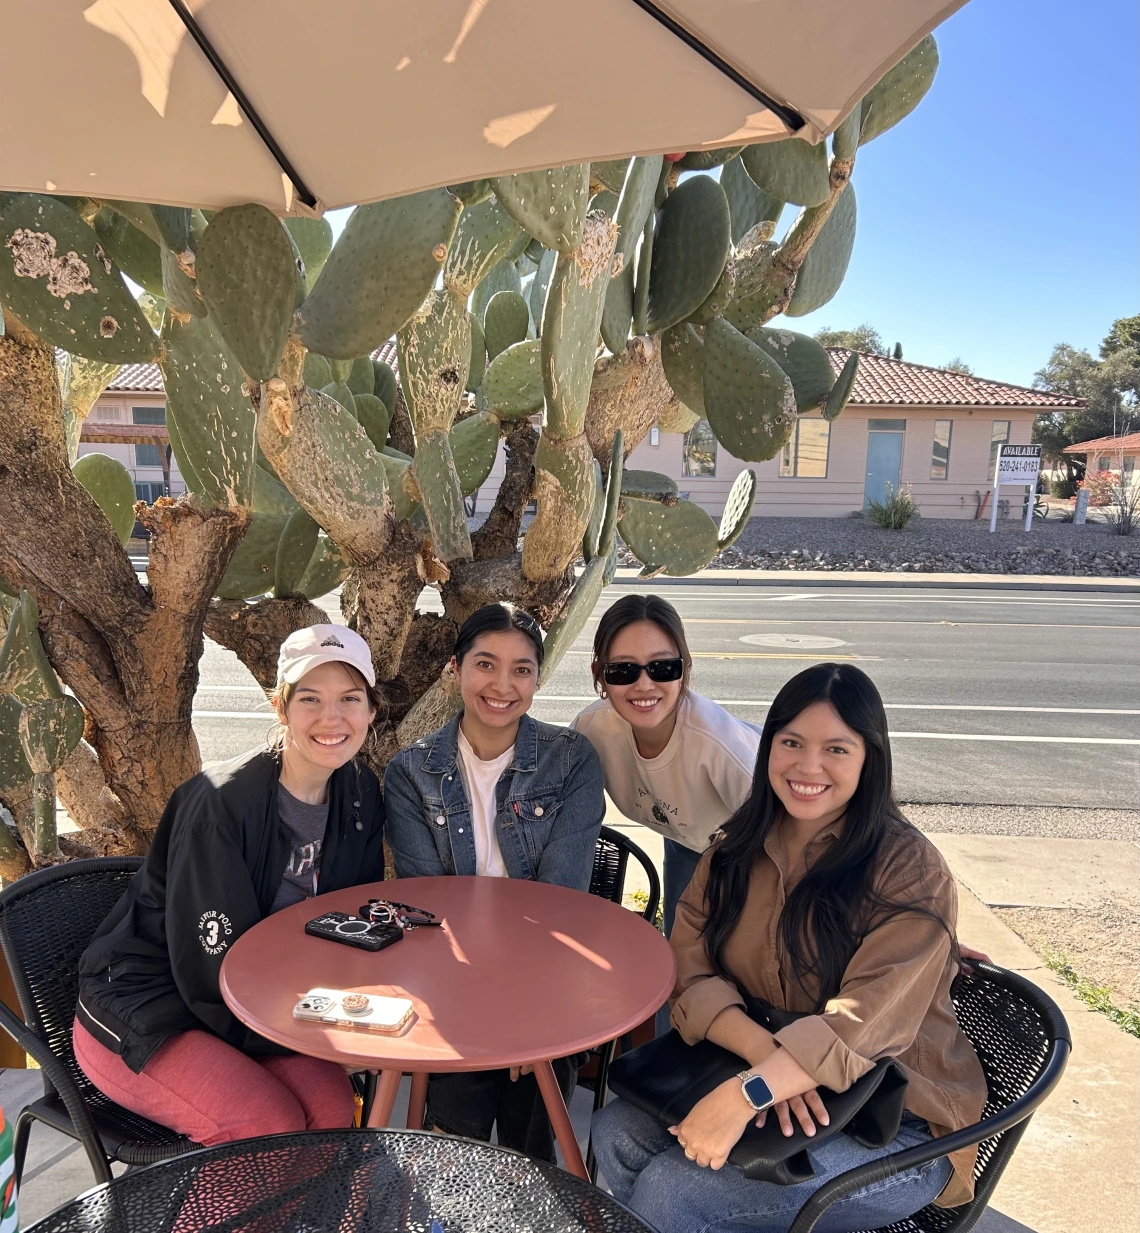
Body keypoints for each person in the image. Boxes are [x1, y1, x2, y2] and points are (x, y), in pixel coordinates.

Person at [592, 663, 988, 1233]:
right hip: (770, 1077)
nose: (808, 766)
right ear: (768, 745)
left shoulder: (908, 869)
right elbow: (688, 966)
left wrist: (747, 1095)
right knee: (614, 1133)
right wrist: (764, 1062)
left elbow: (861, 1025)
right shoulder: (736, 849)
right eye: (792, 743)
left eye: (836, 749)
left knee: (672, 1191)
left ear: (870, 758)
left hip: (896, 1121)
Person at [74, 624, 387, 1146]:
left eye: (350, 699)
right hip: (148, 1009)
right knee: (265, 1123)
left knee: (333, 1107)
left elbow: (348, 925)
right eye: (310, 698)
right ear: (280, 707)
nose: (332, 718)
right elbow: (207, 968)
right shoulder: (219, 806)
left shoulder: (358, 793)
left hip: (260, 1008)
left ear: (371, 711)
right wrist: (315, 1036)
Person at [384, 602, 605, 1161]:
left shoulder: (572, 760)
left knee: (532, 1127)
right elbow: (429, 911)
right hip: (454, 977)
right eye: (485, 664)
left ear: (537, 678)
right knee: (457, 1125)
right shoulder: (410, 773)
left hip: (544, 973)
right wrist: (489, 1013)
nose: (503, 685)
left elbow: (558, 906)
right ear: (454, 670)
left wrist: (525, 1012)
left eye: (522, 670)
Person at [572, 594, 761, 942]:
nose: (644, 685)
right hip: (684, 838)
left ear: (684, 668)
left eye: (662, 668)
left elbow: (789, 840)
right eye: (623, 670)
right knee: (679, 955)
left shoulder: (718, 746)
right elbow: (566, 817)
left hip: (752, 847)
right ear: (600, 673)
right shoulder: (590, 731)